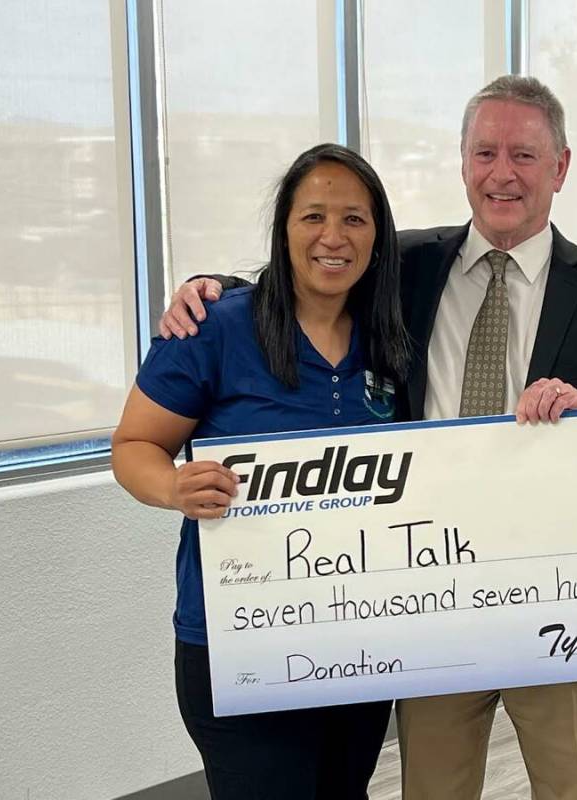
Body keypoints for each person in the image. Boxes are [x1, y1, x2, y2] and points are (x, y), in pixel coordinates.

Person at [160, 76, 577, 800]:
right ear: (463, 162)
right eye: (485, 152)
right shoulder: (403, 267)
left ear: (560, 167)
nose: (502, 173)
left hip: (561, 601)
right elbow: (308, 270)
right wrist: (207, 286)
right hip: (430, 604)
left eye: (525, 156)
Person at [112, 143, 410, 800]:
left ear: (378, 239)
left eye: (354, 219)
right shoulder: (213, 327)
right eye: (312, 217)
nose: (332, 237)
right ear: (284, 229)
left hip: (356, 641)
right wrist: (173, 487)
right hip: (237, 641)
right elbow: (133, 444)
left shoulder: (391, 336)